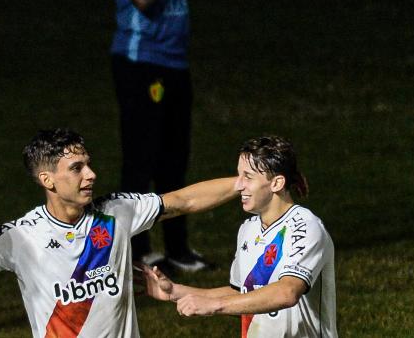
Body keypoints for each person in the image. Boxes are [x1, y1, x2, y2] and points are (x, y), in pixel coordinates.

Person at [0, 128, 238, 337]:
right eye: (76, 168)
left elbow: (184, 201)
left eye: (88, 164)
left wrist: (245, 182)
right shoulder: (20, 237)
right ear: (47, 180)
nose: (91, 174)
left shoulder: (116, 212)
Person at [101, 0, 220, 272]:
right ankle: (135, 252)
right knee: (141, 159)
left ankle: (178, 249)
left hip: (174, 62)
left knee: (175, 159)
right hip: (140, 62)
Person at [140, 136, 338, 337]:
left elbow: (287, 292)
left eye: (248, 177)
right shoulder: (248, 229)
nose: (238, 185)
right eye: (238, 176)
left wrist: (215, 305)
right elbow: (242, 294)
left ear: (277, 183)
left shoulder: (306, 227)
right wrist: (175, 291)